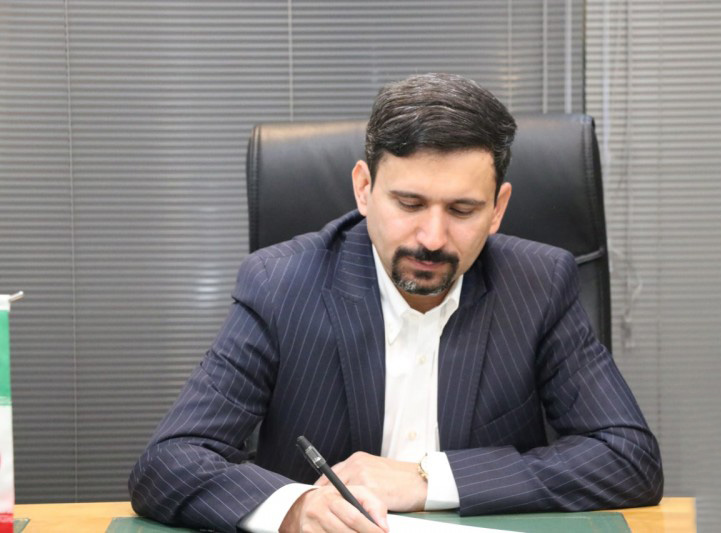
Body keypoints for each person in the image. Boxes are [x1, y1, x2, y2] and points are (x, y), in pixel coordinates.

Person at [129, 73, 663, 533]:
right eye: (409, 203)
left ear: (498, 209)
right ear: (364, 189)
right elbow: (167, 463)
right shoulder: (280, 285)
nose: (432, 237)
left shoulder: (539, 284)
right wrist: (294, 509)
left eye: (462, 210)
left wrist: (428, 480)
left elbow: (628, 457)